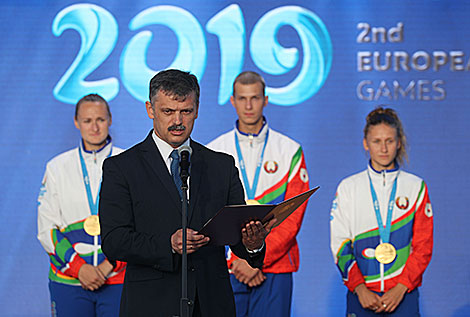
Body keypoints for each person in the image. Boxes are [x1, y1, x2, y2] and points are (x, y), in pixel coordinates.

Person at [99, 69, 273, 317]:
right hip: (150, 305)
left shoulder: (221, 165)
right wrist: (168, 244)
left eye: (186, 111)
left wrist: (253, 244)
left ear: (197, 110)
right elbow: (114, 240)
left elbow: (236, 234)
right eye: (168, 111)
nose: (177, 121)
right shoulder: (122, 168)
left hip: (212, 304)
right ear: (150, 109)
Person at [207, 71, 310, 317]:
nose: (249, 105)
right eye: (242, 99)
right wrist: (238, 260)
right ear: (232, 101)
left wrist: (256, 259)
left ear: (266, 99)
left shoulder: (289, 150)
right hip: (229, 267)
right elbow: (209, 215)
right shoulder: (214, 150)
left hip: (275, 267)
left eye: (255, 98)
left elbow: (292, 217)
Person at [330, 107, 433, 316]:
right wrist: (359, 289)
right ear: (366, 144)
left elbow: (423, 246)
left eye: (389, 141)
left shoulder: (416, 187)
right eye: (377, 141)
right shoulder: (348, 187)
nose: (383, 148)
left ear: (399, 143)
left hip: (404, 296)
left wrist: (401, 288)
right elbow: (340, 243)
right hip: (362, 296)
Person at [37, 94, 126, 316]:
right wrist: (81, 269)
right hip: (69, 281)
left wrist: (108, 266)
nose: (94, 127)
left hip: (118, 280)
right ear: (77, 122)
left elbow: (141, 224)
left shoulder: (129, 163)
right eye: (87, 121)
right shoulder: (57, 167)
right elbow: (46, 229)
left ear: (110, 120)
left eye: (100, 120)